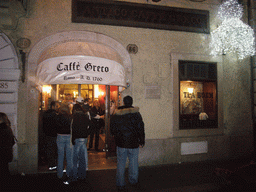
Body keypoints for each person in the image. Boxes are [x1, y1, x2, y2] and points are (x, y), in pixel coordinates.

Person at [110, 96, 145, 192]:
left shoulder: (117, 114)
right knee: (133, 162)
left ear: (124, 102)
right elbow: (141, 128)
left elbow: (112, 128)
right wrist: (141, 141)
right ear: (131, 102)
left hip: (121, 143)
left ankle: (120, 183)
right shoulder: (136, 114)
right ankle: (133, 181)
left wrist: (116, 136)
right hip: (134, 143)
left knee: (121, 163)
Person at [71, 104, 91, 181]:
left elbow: (74, 128)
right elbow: (91, 125)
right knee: (82, 158)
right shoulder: (85, 115)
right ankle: (82, 175)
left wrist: (73, 139)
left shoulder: (75, 116)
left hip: (77, 138)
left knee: (75, 158)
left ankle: (74, 176)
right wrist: (87, 132)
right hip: (83, 138)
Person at [56, 104, 73, 184]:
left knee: (60, 156)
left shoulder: (58, 116)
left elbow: (55, 126)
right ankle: (68, 173)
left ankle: (59, 174)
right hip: (69, 136)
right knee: (69, 156)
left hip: (60, 135)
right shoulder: (70, 116)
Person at [0, 112, 15, 189]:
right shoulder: (7, 128)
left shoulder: (1, 129)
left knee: (3, 171)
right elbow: (12, 142)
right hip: (6, 152)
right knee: (5, 169)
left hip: (2, 153)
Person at [42, 101, 58, 171]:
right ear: (53, 106)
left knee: (49, 149)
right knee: (53, 149)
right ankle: (53, 164)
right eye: (56, 106)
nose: (57, 107)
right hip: (53, 134)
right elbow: (56, 124)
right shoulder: (54, 114)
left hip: (47, 133)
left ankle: (50, 164)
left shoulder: (45, 114)